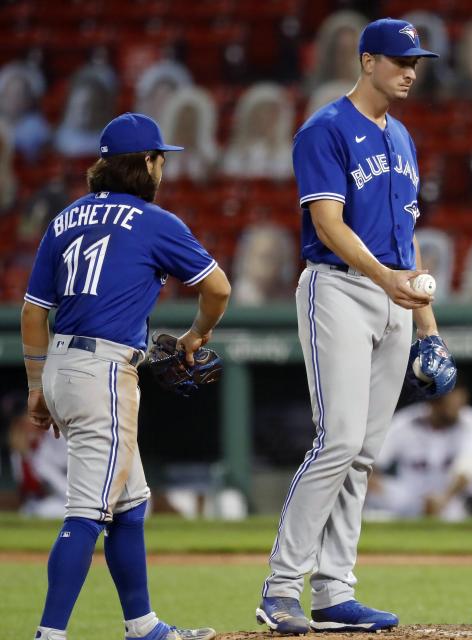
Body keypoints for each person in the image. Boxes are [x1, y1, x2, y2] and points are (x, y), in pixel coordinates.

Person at [256, 18, 451, 635]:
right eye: (398, 60)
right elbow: (329, 224)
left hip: (395, 298)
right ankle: (281, 587)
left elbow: (406, 241)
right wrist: (387, 280)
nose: (410, 70)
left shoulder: (403, 139)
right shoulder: (325, 129)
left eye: (415, 60)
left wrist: (428, 328)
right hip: (338, 287)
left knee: (364, 454)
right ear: (366, 61)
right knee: (336, 439)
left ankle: (335, 590)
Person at [23, 112, 231, 640]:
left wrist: (36, 386)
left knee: (130, 501)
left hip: (63, 366)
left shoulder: (65, 217)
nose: (164, 167)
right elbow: (218, 289)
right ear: (145, 162)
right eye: (161, 158)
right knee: (87, 513)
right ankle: (50, 634)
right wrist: (195, 336)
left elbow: (32, 311)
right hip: (103, 374)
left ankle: (143, 626)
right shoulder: (154, 220)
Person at [366, 381, 472, 521]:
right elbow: (371, 463)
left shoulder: (471, 421)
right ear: (434, 402)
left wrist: (443, 499)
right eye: (450, 403)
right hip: (411, 501)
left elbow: (467, 470)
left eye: (460, 402)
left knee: (457, 511)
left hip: (457, 500)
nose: (457, 408)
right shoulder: (404, 423)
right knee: (378, 493)